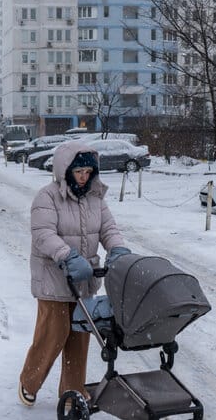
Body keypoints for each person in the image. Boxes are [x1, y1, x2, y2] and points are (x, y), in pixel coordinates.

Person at [18, 140, 131, 408]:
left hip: (84, 281)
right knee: (52, 335)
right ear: (65, 170)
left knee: (80, 337)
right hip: (54, 280)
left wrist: (117, 249)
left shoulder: (95, 198)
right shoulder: (47, 197)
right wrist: (66, 255)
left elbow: (108, 229)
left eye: (88, 172)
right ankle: (29, 381)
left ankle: (72, 391)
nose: (84, 177)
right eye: (79, 172)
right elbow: (43, 234)